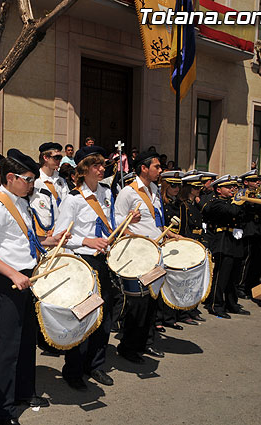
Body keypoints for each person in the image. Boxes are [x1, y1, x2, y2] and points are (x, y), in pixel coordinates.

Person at [0, 149, 69, 425]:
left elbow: (24, 238)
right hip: (9, 281)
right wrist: (13, 274)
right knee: (9, 347)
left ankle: (24, 393)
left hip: (26, 277)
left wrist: (51, 241)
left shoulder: (20, 202)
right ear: (12, 177)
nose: (32, 184)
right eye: (28, 179)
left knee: (28, 340)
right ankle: (3, 408)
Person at [53, 145, 115, 390]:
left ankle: (96, 365)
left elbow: (113, 223)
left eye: (102, 165)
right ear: (84, 169)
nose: (102, 169)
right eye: (96, 165)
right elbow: (60, 235)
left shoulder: (107, 194)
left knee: (105, 316)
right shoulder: (73, 199)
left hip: (103, 261)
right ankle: (74, 370)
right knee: (83, 316)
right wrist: (86, 240)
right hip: (83, 262)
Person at [113, 150, 164, 364]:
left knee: (152, 301)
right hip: (138, 253)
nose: (160, 171)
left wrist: (168, 234)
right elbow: (117, 222)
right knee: (138, 303)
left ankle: (145, 343)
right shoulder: (128, 192)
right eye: (157, 167)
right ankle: (128, 346)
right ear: (144, 168)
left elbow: (156, 221)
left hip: (156, 252)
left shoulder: (155, 190)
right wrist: (133, 235)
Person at [202, 175, 250, 318]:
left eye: (233, 187)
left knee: (233, 277)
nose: (232, 189)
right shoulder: (216, 203)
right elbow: (232, 211)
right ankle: (215, 305)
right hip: (222, 241)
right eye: (228, 187)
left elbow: (246, 215)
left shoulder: (232, 202)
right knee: (221, 276)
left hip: (234, 241)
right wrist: (238, 202)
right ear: (218, 189)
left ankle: (231, 304)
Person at [174, 174, 207, 324]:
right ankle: (183, 313)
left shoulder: (195, 204)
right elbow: (184, 227)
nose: (198, 190)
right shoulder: (184, 205)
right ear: (188, 189)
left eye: (199, 187)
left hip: (198, 241)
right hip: (189, 241)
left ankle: (192, 309)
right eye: (195, 187)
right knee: (186, 281)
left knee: (195, 280)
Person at [158, 171, 185, 331]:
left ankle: (170, 316)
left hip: (175, 244)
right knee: (162, 283)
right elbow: (160, 225)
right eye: (173, 185)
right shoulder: (162, 203)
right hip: (164, 244)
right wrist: (170, 235)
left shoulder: (178, 204)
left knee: (174, 281)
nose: (176, 189)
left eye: (178, 186)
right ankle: (159, 318)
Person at [30, 142, 68, 238]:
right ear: (45, 158)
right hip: (43, 232)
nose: (59, 160)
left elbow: (66, 205)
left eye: (60, 157)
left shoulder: (61, 181)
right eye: (56, 157)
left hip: (61, 230)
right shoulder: (35, 180)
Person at [236, 169, 261, 300]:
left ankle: (249, 285)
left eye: (257, 180)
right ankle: (240, 286)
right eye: (253, 181)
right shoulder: (242, 193)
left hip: (256, 230)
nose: (257, 182)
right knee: (245, 260)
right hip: (247, 230)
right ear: (246, 182)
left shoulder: (256, 194)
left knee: (254, 260)